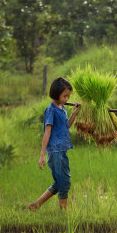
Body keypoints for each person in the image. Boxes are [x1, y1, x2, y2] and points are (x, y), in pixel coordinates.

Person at [28, 77, 80, 210]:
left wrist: (74, 113)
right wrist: (42, 155)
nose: (67, 99)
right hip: (55, 151)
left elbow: (65, 126)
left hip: (62, 150)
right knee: (64, 183)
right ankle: (63, 213)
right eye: (65, 96)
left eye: (68, 96)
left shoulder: (61, 107)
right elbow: (47, 132)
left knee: (60, 182)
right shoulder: (51, 110)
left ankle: (36, 205)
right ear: (56, 94)